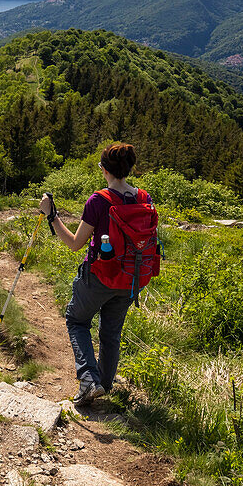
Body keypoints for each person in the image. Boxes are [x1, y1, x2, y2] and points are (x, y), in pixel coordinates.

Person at [38, 142, 150, 406]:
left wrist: (51, 215)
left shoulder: (99, 201)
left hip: (99, 276)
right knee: (111, 333)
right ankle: (104, 385)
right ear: (129, 169)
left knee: (77, 320)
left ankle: (89, 381)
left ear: (104, 170)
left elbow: (75, 244)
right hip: (131, 278)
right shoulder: (144, 198)